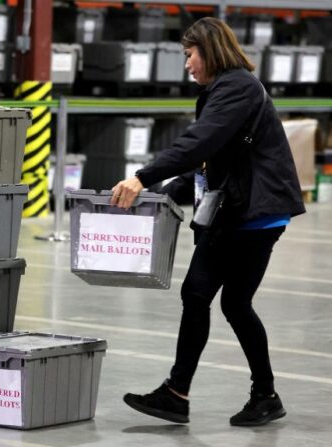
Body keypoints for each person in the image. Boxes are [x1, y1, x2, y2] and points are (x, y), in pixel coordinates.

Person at [111, 17, 306, 426]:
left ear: (210, 50)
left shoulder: (237, 87)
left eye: (189, 55)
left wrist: (144, 176)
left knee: (210, 296)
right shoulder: (224, 90)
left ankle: (206, 393)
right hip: (238, 210)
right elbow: (211, 158)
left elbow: (199, 142)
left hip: (252, 214)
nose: (187, 65)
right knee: (218, 299)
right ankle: (191, 394)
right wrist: (167, 190)